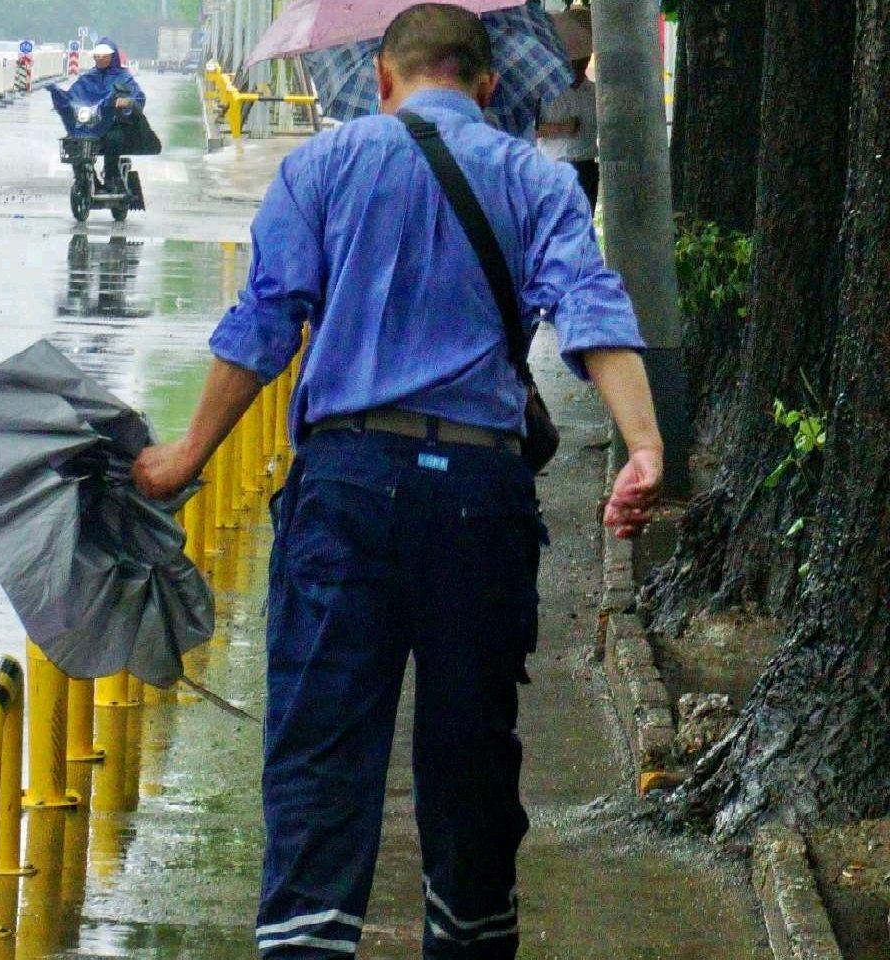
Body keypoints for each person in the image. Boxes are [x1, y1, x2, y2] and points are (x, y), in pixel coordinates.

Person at [132, 5, 662, 957]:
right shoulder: (535, 178)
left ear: (382, 77)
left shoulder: (323, 166)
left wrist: (185, 456)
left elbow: (266, 321)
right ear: (487, 85)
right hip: (478, 495)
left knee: (320, 750)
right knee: (471, 752)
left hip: (346, 488)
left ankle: (306, 941)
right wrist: (644, 446)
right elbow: (590, 305)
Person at [537, 3, 599, 213]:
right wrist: (560, 128)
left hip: (586, 166)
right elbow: (531, 128)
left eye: (584, 59)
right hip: (554, 166)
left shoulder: (594, 93)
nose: (580, 63)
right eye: (575, 59)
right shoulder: (546, 91)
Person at [68, 38, 146, 191]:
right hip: (90, 125)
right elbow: (74, 94)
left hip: (114, 124)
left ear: (112, 56)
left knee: (113, 138)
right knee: (73, 143)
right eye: (97, 56)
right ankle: (84, 178)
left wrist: (127, 102)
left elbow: (138, 98)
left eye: (104, 56)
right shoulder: (88, 77)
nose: (100, 59)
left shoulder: (124, 77)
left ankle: (111, 177)